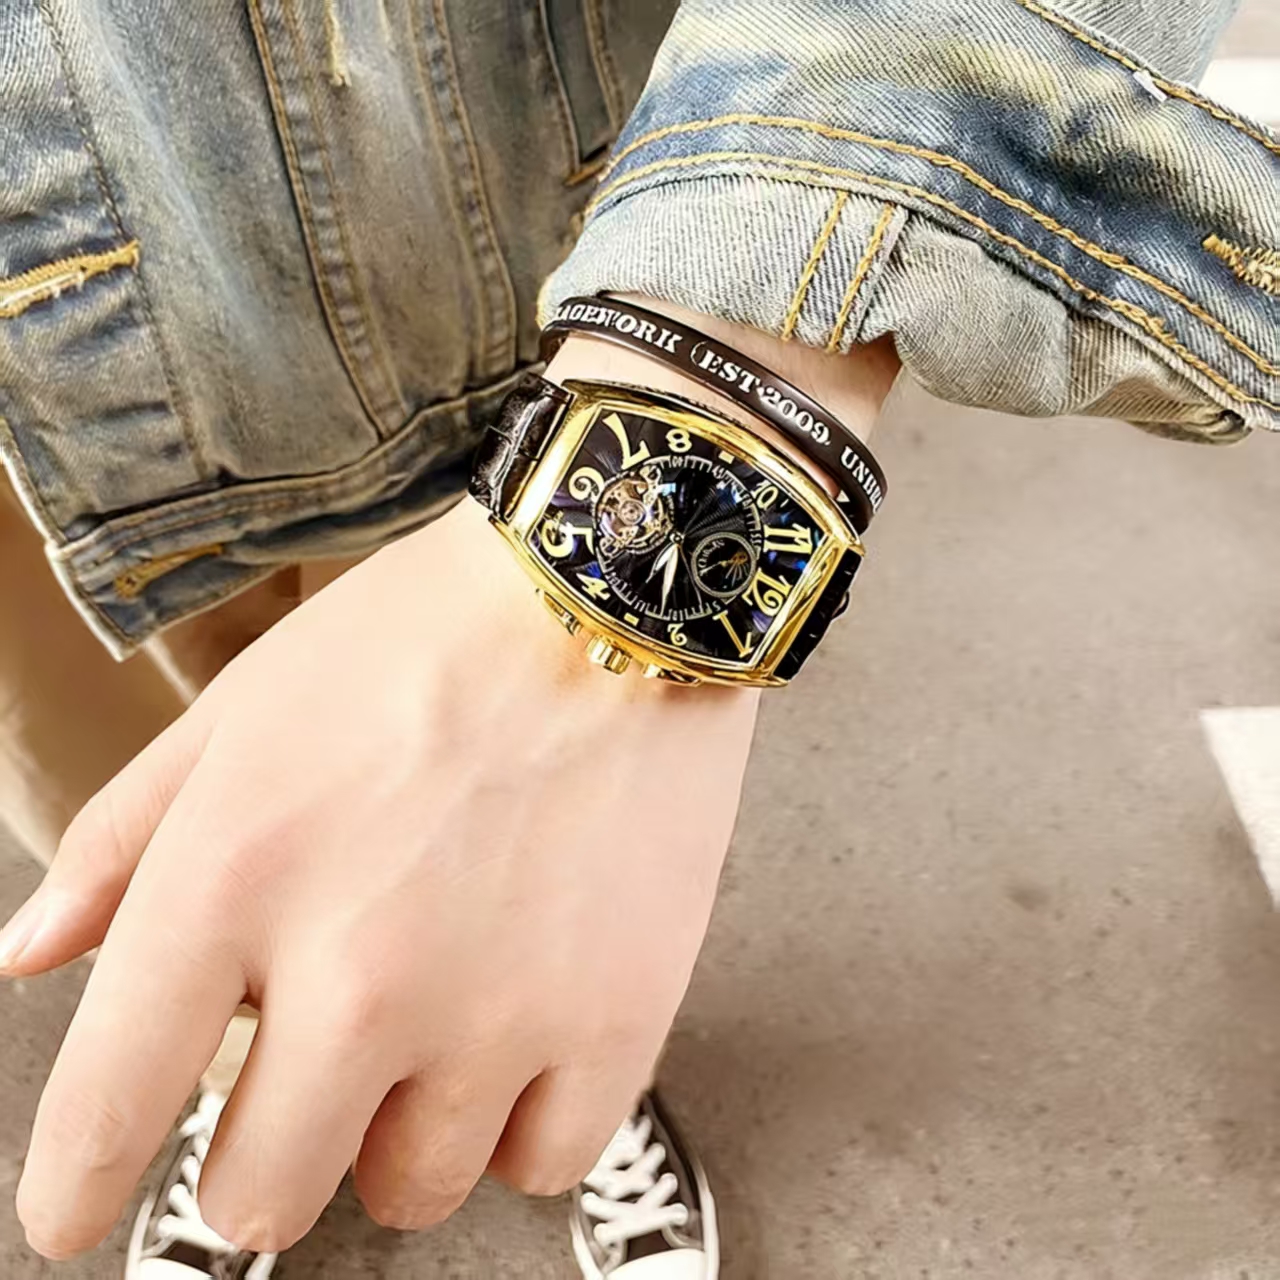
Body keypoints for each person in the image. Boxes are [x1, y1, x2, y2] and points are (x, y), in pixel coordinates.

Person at [0, 0, 1273, 1277]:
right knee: (150, 824)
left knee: (542, 854)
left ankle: (571, 1046)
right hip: (35, 423)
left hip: (499, 236)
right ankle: (243, 1067)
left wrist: (731, 360)